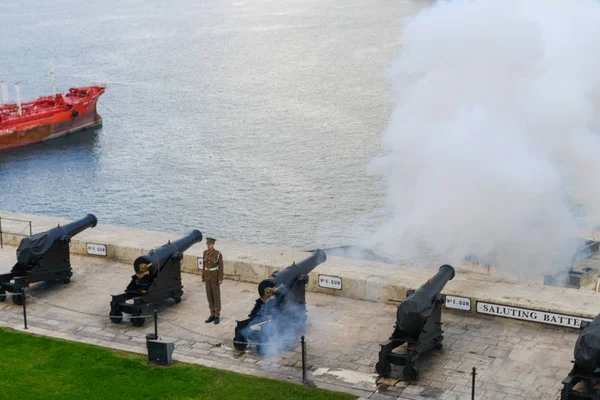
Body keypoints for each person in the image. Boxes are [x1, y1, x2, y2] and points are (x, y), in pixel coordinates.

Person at [202, 237, 223, 324]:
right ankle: (212, 314)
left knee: (216, 296)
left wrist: (220, 278)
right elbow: (204, 266)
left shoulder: (218, 254)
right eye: (207, 244)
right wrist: (203, 276)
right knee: (209, 296)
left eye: (209, 245)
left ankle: (217, 315)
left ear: (213, 244)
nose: (208, 246)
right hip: (207, 277)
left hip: (215, 277)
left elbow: (221, 267)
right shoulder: (205, 253)